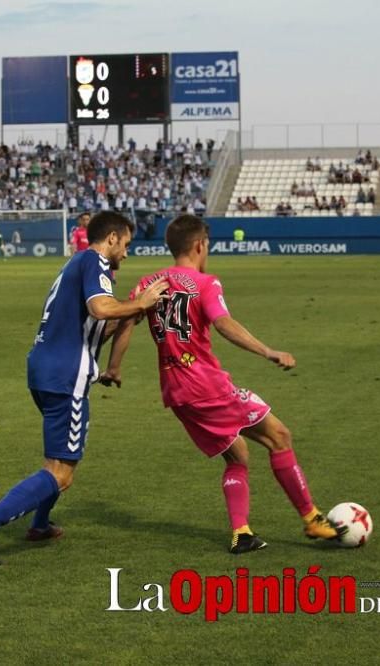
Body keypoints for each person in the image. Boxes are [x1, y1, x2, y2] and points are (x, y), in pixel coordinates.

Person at [101, 214, 344, 554]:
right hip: (206, 386)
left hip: (176, 392)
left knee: (238, 455)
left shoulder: (148, 284)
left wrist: (113, 367)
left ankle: (241, 533)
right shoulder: (205, 283)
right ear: (200, 245)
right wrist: (267, 351)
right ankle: (312, 518)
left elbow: (127, 321)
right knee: (280, 437)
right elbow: (224, 323)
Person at [0, 211, 170, 566]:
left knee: (55, 459)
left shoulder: (77, 264)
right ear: (112, 238)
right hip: (66, 376)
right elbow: (101, 308)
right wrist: (141, 303)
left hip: (44, 369)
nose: (128, 253)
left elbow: (97, 325)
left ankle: (39, 525)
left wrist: (130, 315)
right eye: (127, 245)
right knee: (63, 472)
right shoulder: (96, 262)